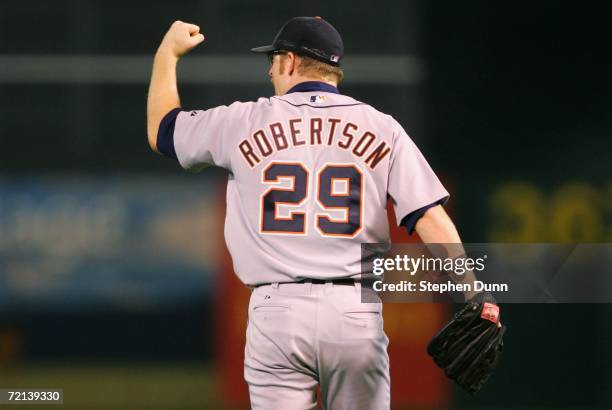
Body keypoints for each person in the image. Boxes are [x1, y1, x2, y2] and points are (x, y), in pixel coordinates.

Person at [147, 16, 471, 410]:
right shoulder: (382, 127)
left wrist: (167, 54)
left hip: (277, 310)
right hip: (354, 311)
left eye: (272, 61)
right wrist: (471, 294)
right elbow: (430, 217)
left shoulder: (242, 121)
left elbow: (163, 131)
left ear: (288, 62)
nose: (270, 71)